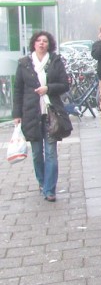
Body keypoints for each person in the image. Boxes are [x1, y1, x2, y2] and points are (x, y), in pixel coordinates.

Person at [12, 31, 70, 202]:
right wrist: (17, 114)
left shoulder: (55, 61)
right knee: (37, 153)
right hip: (31, 114)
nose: (41, 43)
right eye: (38, 41)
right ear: (34, 44)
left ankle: (49, 189)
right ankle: (42, 181)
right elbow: (18, 90)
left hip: (51, 114)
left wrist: (48, 88)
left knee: (51, 153)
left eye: (45, 41)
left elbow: (64, 85)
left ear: (49, 44)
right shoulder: (24, 63)